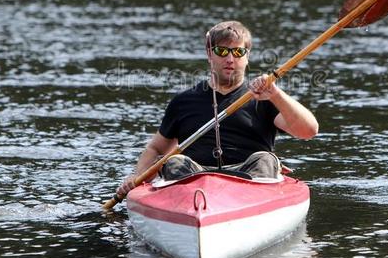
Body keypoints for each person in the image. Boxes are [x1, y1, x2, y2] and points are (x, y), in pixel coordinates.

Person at [116, 20, 318, 198]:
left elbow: (309, 131)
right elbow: (157, 149)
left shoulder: (264, 98)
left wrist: (276, 95)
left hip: (250, 181)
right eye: (222, 51)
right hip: (194, 182)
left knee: (264, 159)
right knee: (174, 162)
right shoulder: (182, 102)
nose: (230, 59)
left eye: (238, 52)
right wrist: (136, 177)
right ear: (209, 54)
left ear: (247, 57)